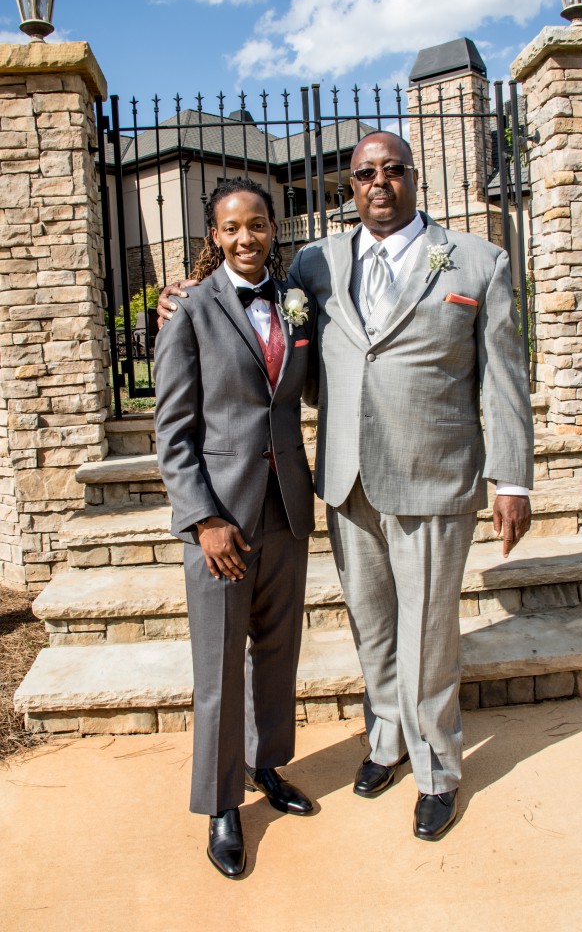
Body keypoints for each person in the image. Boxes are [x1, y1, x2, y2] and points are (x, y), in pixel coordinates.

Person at [158, 132, 533, 842]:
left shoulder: (478, 261)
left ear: (414, 177)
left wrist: (511, 478)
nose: (378, 183)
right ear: (350, 186)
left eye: (392, 170)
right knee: (372, 625)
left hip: (434, 476)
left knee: (428, 631)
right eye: (364, 173)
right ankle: (386, 741)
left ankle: (437, 769)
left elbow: (504, 378)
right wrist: (179, 298)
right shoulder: (316, 263)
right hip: (345, 480)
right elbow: (250, 326)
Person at [154, 178, 317, 879]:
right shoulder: (189, 310)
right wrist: (203, 519)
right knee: (219, 666)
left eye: (257, 224)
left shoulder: (296, 301)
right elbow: (173, 431)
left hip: (286, 506)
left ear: (272, 228)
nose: (245, 238)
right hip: (222, 518)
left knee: (277, 650)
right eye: (231, 228)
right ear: (214, 236)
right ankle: (222, 804)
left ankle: (265, 764)